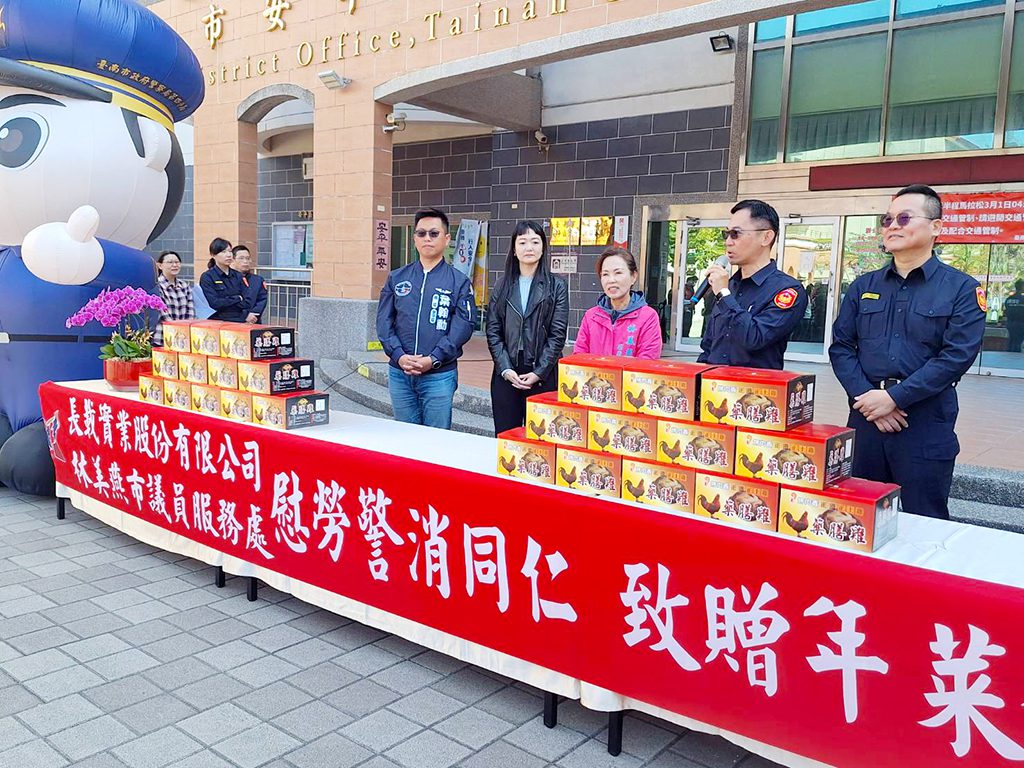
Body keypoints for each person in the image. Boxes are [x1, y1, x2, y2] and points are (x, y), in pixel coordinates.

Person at [829, 184, 986, 520]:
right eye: (887, 219)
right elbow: (841, 347)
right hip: (866, 418)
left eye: (904, 218)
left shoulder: (962, 289)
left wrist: (895, 397)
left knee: (925, 520)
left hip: (924, 422)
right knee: (859, 518)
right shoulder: (863, 286)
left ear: (936, 227)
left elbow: (956, 357)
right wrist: (869, 399)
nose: (892, 226)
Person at [376, 208, 476, 429]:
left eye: (434, 233)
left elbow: (463, 326)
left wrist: (433, 358)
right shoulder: (396, 277)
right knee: (405, 435)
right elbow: (383, 322)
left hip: (439, 375)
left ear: (446, 239)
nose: (427, 238)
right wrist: (399, 355)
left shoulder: (459, 282)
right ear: (414, 239)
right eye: (421, 233)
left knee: (436, 439)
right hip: (400, 373)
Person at [697, 200, 807, 369]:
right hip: (713, 383)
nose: (728, 242)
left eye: (736, 234)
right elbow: (709, 346)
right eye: (726, 234)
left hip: (754, 384)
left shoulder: (787, 290)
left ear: (766, 237)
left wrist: (724, 295)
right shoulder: (728, 285)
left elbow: (755, 338)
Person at [486, 221, 569, 434]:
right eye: (522, 242)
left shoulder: (557, 286)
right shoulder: (502, 285)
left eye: (535, 242)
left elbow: (557, 335)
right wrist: (505, 369)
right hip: (507, 371)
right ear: (514, 249)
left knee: (541, 439)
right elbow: (493, 331)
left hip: (543, 373)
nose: (529, 248)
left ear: (543, 248)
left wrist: (539, 372)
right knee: (506, 437)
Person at [573, 247, 662, 359]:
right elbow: (579, 357)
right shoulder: (591, 316)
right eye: (605, 274)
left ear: (633, 276)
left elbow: (647, 361)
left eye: (618, 273)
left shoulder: (648, 317)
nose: (611, 280)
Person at [199, 238, 250, 323]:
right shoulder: (208, 277)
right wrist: (237, 298)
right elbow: (214, 303)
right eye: (223, 252)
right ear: (213, 255)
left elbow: (247, 301)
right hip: (218, 321)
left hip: (239, 320)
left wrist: (227, 301)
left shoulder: (238, 275)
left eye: (230, 251)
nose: (228, 255)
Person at [154, 250, 195, 346]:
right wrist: (175, 329)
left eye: (177, 262)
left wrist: (185, 329)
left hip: (183, 337)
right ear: (160, 265)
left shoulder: (184, 285)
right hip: (163, 336)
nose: (174, 265)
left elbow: (190, 311)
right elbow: (163, 313)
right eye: (170, 262)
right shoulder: (157, 285)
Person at [232, 244, 268, 325]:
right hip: (234, 321)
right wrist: (244, 315)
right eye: (241, 258)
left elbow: (262, 300)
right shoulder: (228, 280)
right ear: (233, 260)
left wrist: (253, 314)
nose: (245, 261)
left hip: (254, 321)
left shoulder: (258, 280)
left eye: (247, 258)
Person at [1005, 278, 1024, 354]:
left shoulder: (1009, 299)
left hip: (1010, 323)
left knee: (1011, 341)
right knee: (1017, 344)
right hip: (1020, 324)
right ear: (1022, 287)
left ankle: (1009, 355)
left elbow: (1006, 310)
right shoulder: (1022, 299)